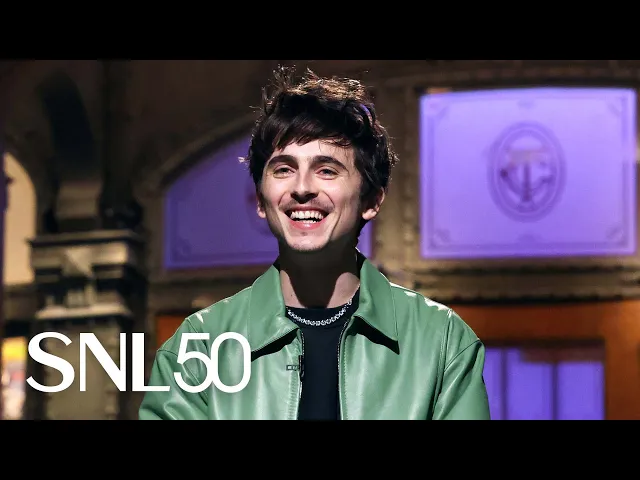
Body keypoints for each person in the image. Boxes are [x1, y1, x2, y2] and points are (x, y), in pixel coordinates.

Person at [139, 67, 491, 420]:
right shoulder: (198, 346)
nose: (302, 188)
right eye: (283, 169)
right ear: (260, 200)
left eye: (327, 170)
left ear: (371, 200)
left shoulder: (441, 341)